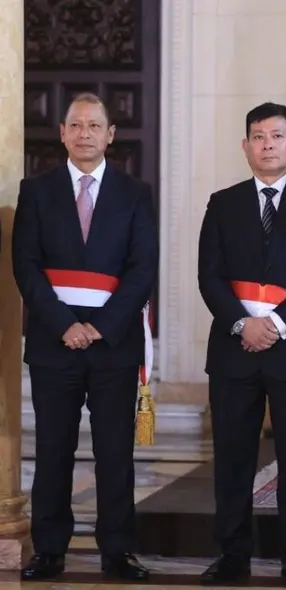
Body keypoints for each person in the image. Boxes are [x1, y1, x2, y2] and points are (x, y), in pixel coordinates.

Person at [196, 102, 286, 585]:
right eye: (258, 137)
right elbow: (209, 277)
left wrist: (277, 326)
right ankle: (232, 554)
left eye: (276, 136)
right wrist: (244, 325)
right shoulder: (223, 203)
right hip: (233, 350)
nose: (267, 145)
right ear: (245, 146)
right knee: (233, 458)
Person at [12, 92, 158, 581]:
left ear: (110, 135)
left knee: (115, 451)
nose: (85, 134)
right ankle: (49, 549)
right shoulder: (36, 191)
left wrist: (100, 326)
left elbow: (142, 269)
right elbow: (26, 268)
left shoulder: (136, 193)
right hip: (56, 344)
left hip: (113, 345)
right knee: (53, 449)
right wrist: (65, 325)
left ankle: (118, 550)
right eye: (76, 125)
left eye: (95, 126)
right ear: (62, 132)